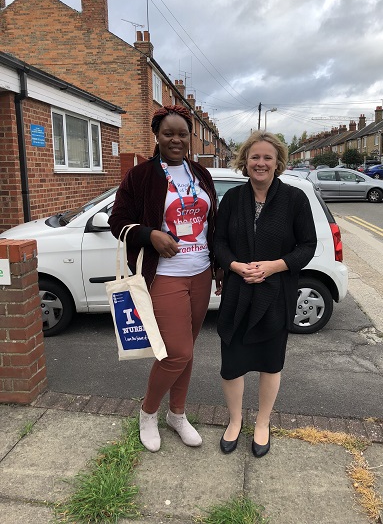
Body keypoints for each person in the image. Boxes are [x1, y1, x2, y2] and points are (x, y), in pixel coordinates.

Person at [109, 105, 218, 452]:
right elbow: (118, 223)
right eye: (169, 133)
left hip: (200, 273)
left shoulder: (201, 174)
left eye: (182, 133)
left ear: (190, 137)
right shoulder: (140, 176)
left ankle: (178, 414)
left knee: (187, 352)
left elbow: (210, 225)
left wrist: (217, 268)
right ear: (156, 135)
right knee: (176, 352)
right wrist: (149, 234)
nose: (176, 139)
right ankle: (148, 412)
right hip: (165, 276)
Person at [214, 130, 317, 458]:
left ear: (278, 163)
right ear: (245, 161)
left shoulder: (295, 200)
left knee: (270, 364)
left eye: (267, 158)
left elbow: (308, 245)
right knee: (232, 364)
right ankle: (234, 421)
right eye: (254, 157)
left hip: (276, 296)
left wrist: (274, 266)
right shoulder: (231, 199)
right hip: (236, 296)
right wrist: (233, 265)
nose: (260, 163)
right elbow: (218, 242)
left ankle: (262, 422)